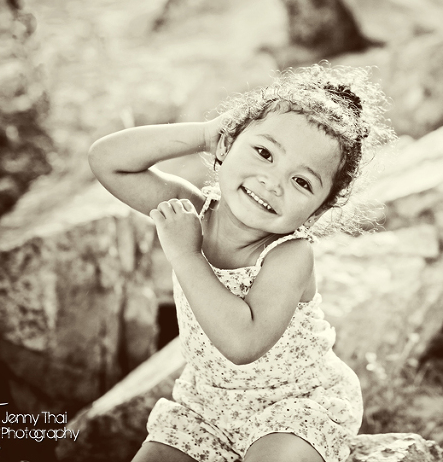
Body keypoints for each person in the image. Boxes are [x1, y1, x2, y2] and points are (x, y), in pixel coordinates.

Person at [88, 63, 395, 462]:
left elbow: (242, 343)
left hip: (293, 405)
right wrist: (204, 134)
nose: (272, 182)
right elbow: (107, 161)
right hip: (206, 406)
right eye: (264, 153)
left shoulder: (289, 254)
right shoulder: (193, 211)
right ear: (227, 145)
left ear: (316, 212)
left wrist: (186, 255)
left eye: (302, 182)